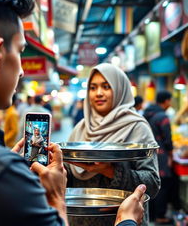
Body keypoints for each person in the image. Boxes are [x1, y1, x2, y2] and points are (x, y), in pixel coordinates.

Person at [0, 0, 146, 226]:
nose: (22, 71)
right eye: (20, 51)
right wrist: (57, 199)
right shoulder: (0, 174)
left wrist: (4, 167)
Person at [65, 63, 160, 226]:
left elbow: (152, 183)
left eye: (106, 87)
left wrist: (109, 170)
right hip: (80, 220)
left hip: (124, 221)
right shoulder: (81, 127)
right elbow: (70, 179)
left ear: (120, 89)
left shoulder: (137, 127)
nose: (98, 93)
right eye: (93, 88)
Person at [143, 91, 176, 224]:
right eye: (170, 101)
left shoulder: (146, 113)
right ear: (166, 101)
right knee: (162, 185)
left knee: (149, 183)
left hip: (147, 154)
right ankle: (160, 215)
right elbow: (168, 139)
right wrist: (171, 154)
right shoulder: (162, 116)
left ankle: (150, 214)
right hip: (161, 155)